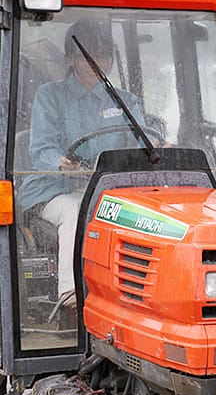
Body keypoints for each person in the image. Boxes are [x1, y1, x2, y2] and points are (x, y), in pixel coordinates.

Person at [18, 19, 145, 305]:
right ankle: (71, 296)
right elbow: (41, 150)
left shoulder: (125, 101)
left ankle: (133, 298)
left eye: (102, 54)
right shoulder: (50, 96)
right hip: (53, 190)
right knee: (77, 209)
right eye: (86, 55)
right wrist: (60, 162)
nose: (95, 62)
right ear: (70, 59)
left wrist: (157, 148)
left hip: (104, 190)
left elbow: (143, 142)